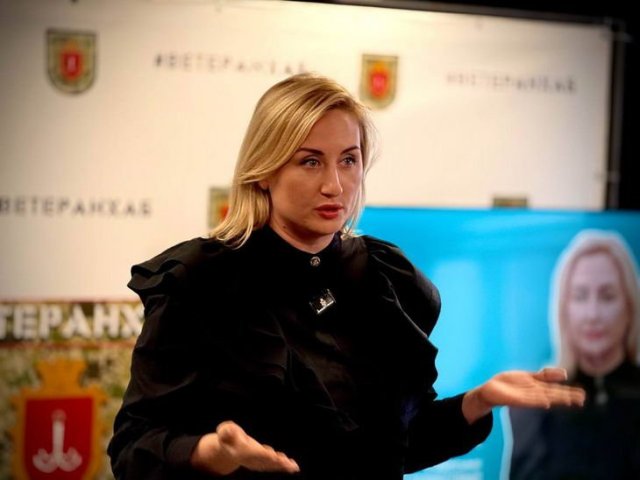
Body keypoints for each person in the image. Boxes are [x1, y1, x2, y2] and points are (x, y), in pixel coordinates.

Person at [107, 72, 585, 480]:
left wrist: (477, 401)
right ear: (263, 170)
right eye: (310, 161)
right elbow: (132, 449)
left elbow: (397, 446)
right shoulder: (201, 282)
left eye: (349, 160)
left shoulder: (385, 278)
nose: (334, 185)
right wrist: (210, 453)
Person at [507, 230, 640, 479]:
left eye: (607, 296)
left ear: (629, 305)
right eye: (580, 297)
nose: (592, 314)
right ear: (564, 309)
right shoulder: (533, 408)